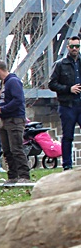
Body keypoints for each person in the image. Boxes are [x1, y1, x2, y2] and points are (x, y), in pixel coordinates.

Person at [0, 59, 31, 183]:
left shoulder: (13, 81)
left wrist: (2, 109)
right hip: (3, 121)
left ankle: (24, 176)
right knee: (7, 150)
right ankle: (13, 176)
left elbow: (18, 100)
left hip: (14, 119)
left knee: (16, 148)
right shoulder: (3, 84)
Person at [48, 36, 81, 170]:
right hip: (67, 106)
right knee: (67, 136)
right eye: (72, 46)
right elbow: (52, 84)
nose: (74, 49)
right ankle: (67, 165)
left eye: (77, 46)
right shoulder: (60, 64)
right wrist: (69, 89)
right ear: (68, 47)